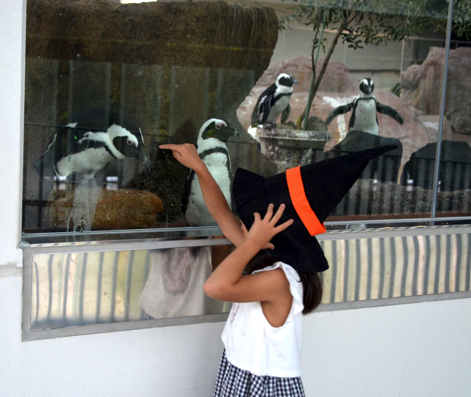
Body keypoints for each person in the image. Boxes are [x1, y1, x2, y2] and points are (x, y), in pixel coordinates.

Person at [160, 142, 396, 396]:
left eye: (252, 220)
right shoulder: (264, 252)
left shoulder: (280, 279)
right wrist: (200, 168)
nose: (243, 223)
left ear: (273, 232)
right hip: (239, 370)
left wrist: (251, 242)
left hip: (263, 384)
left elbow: (215, 287)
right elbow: (221, 214)